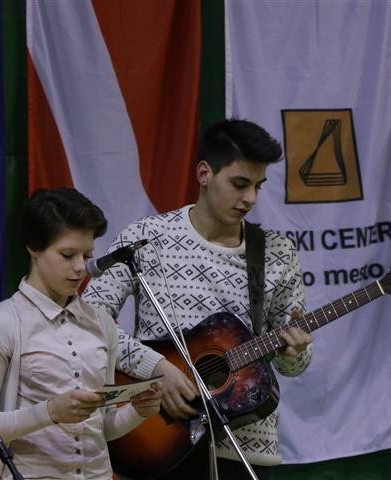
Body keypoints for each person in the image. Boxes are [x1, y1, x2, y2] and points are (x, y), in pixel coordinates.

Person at [82, 119, 313, 480]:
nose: (251, 198)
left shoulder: (277, 252)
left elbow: (293, 367)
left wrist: (294, 352)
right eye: (240, 184)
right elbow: (88, 318)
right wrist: (157, 368)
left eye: (258, 186)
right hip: (157, 437)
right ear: (204, 174)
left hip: (245, 447)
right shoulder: (147, 237)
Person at [0, 188, 162, 479]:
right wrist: (51, 412)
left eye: (87, 255)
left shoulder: (101, 323)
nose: (81, 267)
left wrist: (138, 411)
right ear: (34, 248)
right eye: (68, 255)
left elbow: (101, 428)